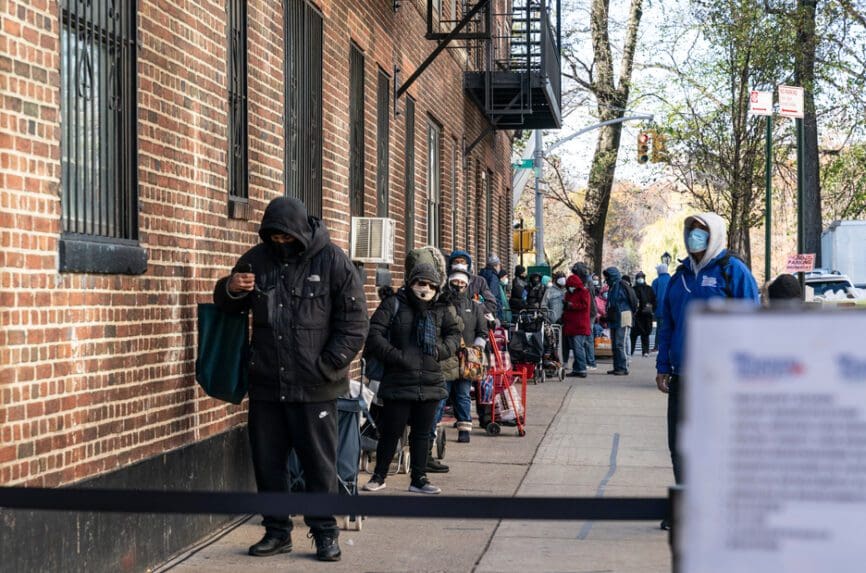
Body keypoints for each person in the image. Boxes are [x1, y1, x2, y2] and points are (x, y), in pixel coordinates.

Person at [213, 197, 369, 562]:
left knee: (320, 465)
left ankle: (325, 533)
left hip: (315, 387)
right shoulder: (256, 259)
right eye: (274, 237)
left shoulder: (333, 261)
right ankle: (277, 531)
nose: (280, 243)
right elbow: (227, 305)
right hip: (267, 384)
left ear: (300, 232)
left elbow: (355, 322)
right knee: (268, 463)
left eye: (286, 237)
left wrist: (329, 365)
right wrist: (232, 287)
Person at [655, 212, 759, 528]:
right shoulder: (679, 277)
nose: (693, 237)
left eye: (700, 232)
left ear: (713, 234)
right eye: (689, 231)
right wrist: (663, 365)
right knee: (679, 444)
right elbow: (667, 324)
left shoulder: (733, 272)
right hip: (683, 375)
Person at [363, 263, 462, 495]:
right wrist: (396, 356)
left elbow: (454, 334)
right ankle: (379, 476)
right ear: (410, 283)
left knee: (422, 433)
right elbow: (374, 334)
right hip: (398, 379)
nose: (424, 288)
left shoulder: (441, 308)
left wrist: (441, 350)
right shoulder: (394, 303)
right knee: (391, 431)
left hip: (430, 381)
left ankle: (419, 478)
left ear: (437, 288)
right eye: (420, 283)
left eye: (430, 285)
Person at [432, 269, 488, 445]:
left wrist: (477, 349)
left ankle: (464, 428)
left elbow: (482, 331)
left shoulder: (476, 307)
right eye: (455, 282)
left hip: (467, 358)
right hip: (445, 357)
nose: (458, 286)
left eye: (462, 283)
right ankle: (433, 429)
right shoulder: (440, 305)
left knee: (463, 395)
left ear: (467, 284)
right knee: (441, 394)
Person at [603, 267, 636, 375]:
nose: (606, 279)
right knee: (615, 344)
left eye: (608, 276)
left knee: (619, 343)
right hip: (616, 317)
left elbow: (629, 301)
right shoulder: (613, 286)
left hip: (623, 316)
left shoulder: (621, 285)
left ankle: (623, 367)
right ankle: (618, 366)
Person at [448, 250, 498, 316]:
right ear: (451, 265)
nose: (459, 265)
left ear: (467, 265)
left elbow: (491, 304)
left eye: (462, 262)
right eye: (456, 262)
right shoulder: (446, 281)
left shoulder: (479, 281)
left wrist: (473, 308)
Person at [562, 274, 591, 378]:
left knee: (578, 348)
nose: (570, 287)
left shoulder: (584, 292)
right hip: (571, 324)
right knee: (575, 348)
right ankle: (577, 369)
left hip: (579, 325)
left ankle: (582, 369)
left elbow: (585, 306)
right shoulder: (569, 293)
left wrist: (571, 305)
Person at [572, 263, 599, 370]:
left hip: (590, 312)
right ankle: (589, 361)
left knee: (588, 338)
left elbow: (589, 299)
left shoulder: (587, 282)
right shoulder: (585, 281)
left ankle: (591, 362)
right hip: (588, 311)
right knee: (587, 337)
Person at [630, 271, 656, 357]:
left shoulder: (649, 289)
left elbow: (654, 300)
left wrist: (652, 308)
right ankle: (631, 350)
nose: (640, 279)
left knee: (645, 334)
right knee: (633, 335)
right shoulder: (633, 289)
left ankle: (645, 351)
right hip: (637, 315)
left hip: (646, 315)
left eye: (642, 277)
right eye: (639, 277)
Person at [651, 264, 671, 351]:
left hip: (660, 309)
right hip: (671, 309)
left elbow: (652, 296)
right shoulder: (672, 280)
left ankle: (657, 346)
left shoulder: (656, 281)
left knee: (659, 329)